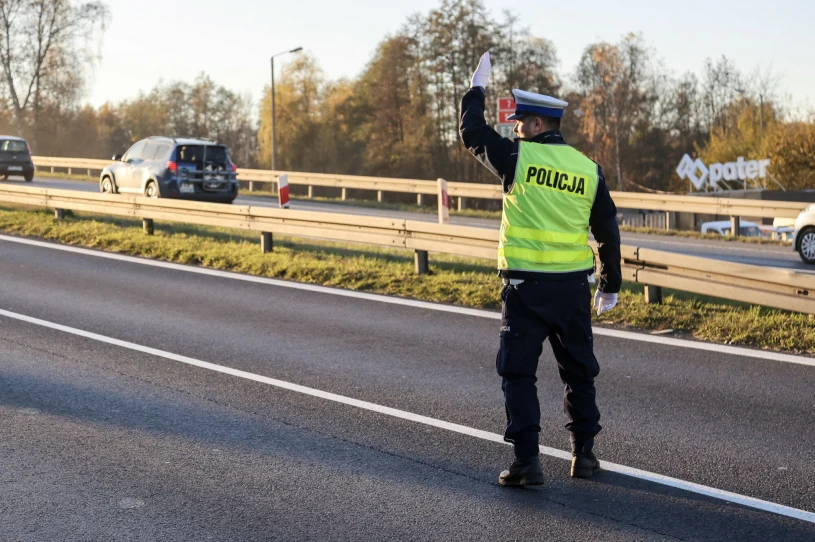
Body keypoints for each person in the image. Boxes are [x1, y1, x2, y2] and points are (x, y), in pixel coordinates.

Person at [460, 52, 622, 487]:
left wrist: (475, 90)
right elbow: (607, 229)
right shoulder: (589, 170)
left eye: (519, 123)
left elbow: (472, 133)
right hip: (572, 289)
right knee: (579, 372)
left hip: (525, 289)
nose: (514, 129)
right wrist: (610, 284)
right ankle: (584, 456)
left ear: (536, 126)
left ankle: (527, 464)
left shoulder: (519, 160)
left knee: (518, 374)